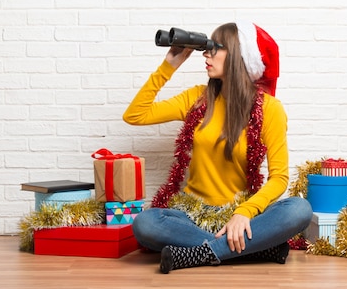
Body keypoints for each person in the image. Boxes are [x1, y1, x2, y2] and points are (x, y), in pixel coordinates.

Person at [122, 21, 312, 274]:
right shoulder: (196, 98)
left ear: (239, 57)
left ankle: (197, 254)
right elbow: (135, 115)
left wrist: (244, 212)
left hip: (242, 216)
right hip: (193, 215)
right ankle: (254, 251)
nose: (206, 54)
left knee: (299, 210)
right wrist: (169, 65)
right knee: (146, 223)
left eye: (216, 48)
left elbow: (280, 178)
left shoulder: (270, 109)